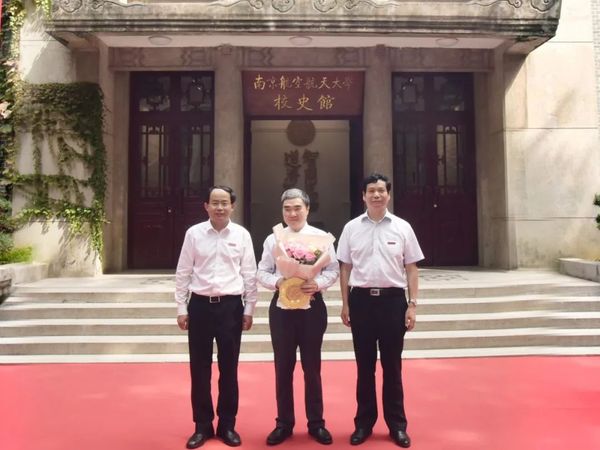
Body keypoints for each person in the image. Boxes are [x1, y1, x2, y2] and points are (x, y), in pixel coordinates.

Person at [337, 173, 424, 448]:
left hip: (393, 302)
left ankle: (397, 425)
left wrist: (412, 305)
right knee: (364, 368)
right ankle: (363, 424)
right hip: (361, 302)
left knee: (392, 367)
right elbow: (345, 268)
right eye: (371, 191)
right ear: (363, 195)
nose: (376, 195)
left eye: (381, 191)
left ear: (388, 195)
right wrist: (345, 303)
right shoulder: (351, 228)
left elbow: (411, 268)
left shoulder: (402, 227)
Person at [175, 185, 257, 448]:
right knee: (199, 369)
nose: (220, 207)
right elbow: (183, 272)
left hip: (230, 307)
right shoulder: (194, 234)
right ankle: (202, 425)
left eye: (225, 203)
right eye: (215, 203)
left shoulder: (242, 235)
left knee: (229, 369)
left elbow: (250, 274)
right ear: (206, 206)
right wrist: (181, 307)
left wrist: (249, 309)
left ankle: (227, 425)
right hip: (200, 306)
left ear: (233, 206)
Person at [257, 188, 339, 446]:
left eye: (297, 208)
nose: (292, 213)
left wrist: (318, 284)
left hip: (312, 308)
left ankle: (316, 423)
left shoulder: (321, 239)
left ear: (307, 209)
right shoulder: (273, 239)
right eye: (287, 209)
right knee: (283, 367)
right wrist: (278, 282)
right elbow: (262, 271)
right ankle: (284, 423)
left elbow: (333, 270)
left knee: (312, 368)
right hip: (281, 309)